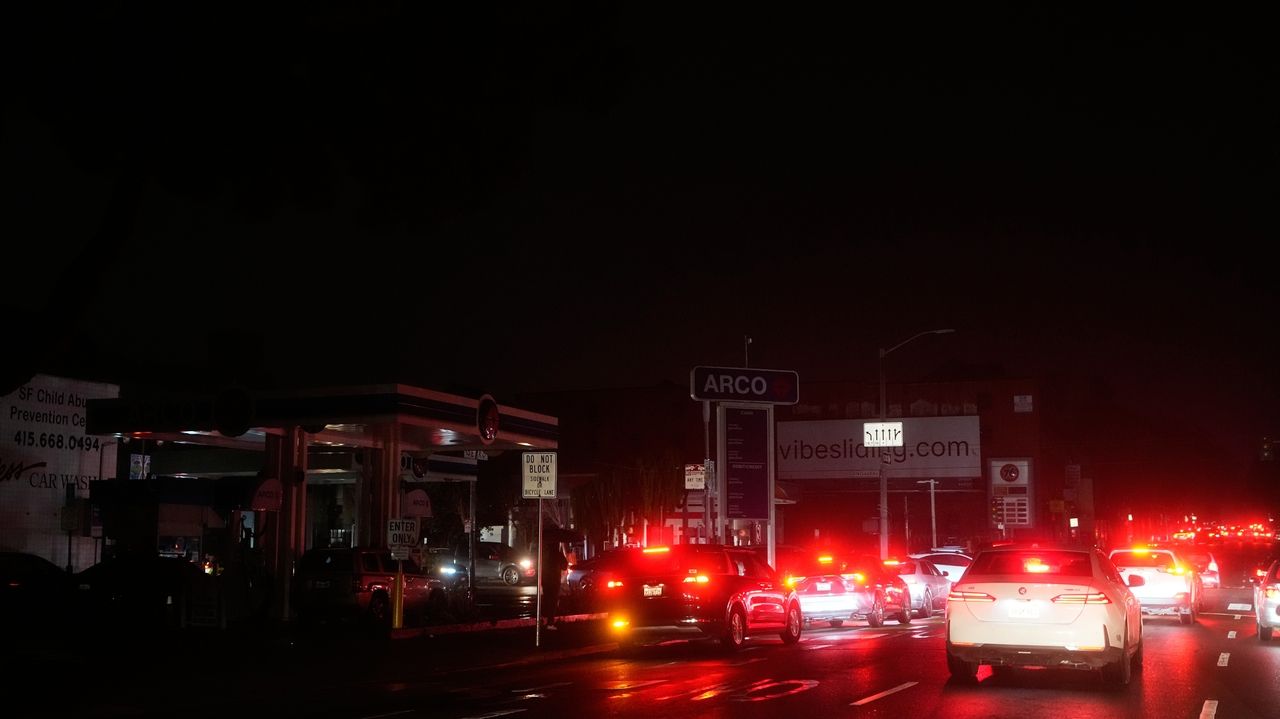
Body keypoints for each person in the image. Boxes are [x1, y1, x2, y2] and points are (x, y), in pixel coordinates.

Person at [540, 539, 568, 629]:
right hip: (554, 581)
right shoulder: (558, 554)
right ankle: (550, 622)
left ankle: (543, 619)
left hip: (545, 580)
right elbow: (564, 566)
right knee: (553, 601)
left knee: (546, 599)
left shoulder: (544, 554)